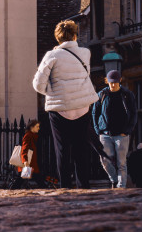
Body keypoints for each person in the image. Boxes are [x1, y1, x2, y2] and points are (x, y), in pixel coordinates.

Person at [32, 19, 99, 189]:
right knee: (81, 150)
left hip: (60, 109)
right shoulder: (85, 53)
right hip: (82, 108)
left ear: (58, 38)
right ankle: (83, 187)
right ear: (75, 35)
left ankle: (65, 188)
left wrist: (54, 92)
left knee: (62, 151)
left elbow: (38, 85)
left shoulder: (51, 56)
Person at [92, 70, 138, 188]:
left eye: (115, 82)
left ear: (120, 81)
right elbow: (94, 113)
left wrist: (128, 130)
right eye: (111, 82)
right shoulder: (101, 95)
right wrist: (98, 131)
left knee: (121, 163)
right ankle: (114, 180)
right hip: (105, 134)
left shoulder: (127, 94)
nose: (113, 85)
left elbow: (134, 113)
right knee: (105, 160)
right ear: (107, 81)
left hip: (121, 135)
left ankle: (121, 187)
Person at [17, 120, 41, 187]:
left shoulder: (33, 136)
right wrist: (25, 161)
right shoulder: (28, 136)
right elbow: (24, 149)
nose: (38, 128)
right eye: (37, 126)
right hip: (28, 164)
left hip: (32, 164)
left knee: (20, 181)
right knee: (39, 181)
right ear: (31, 127)